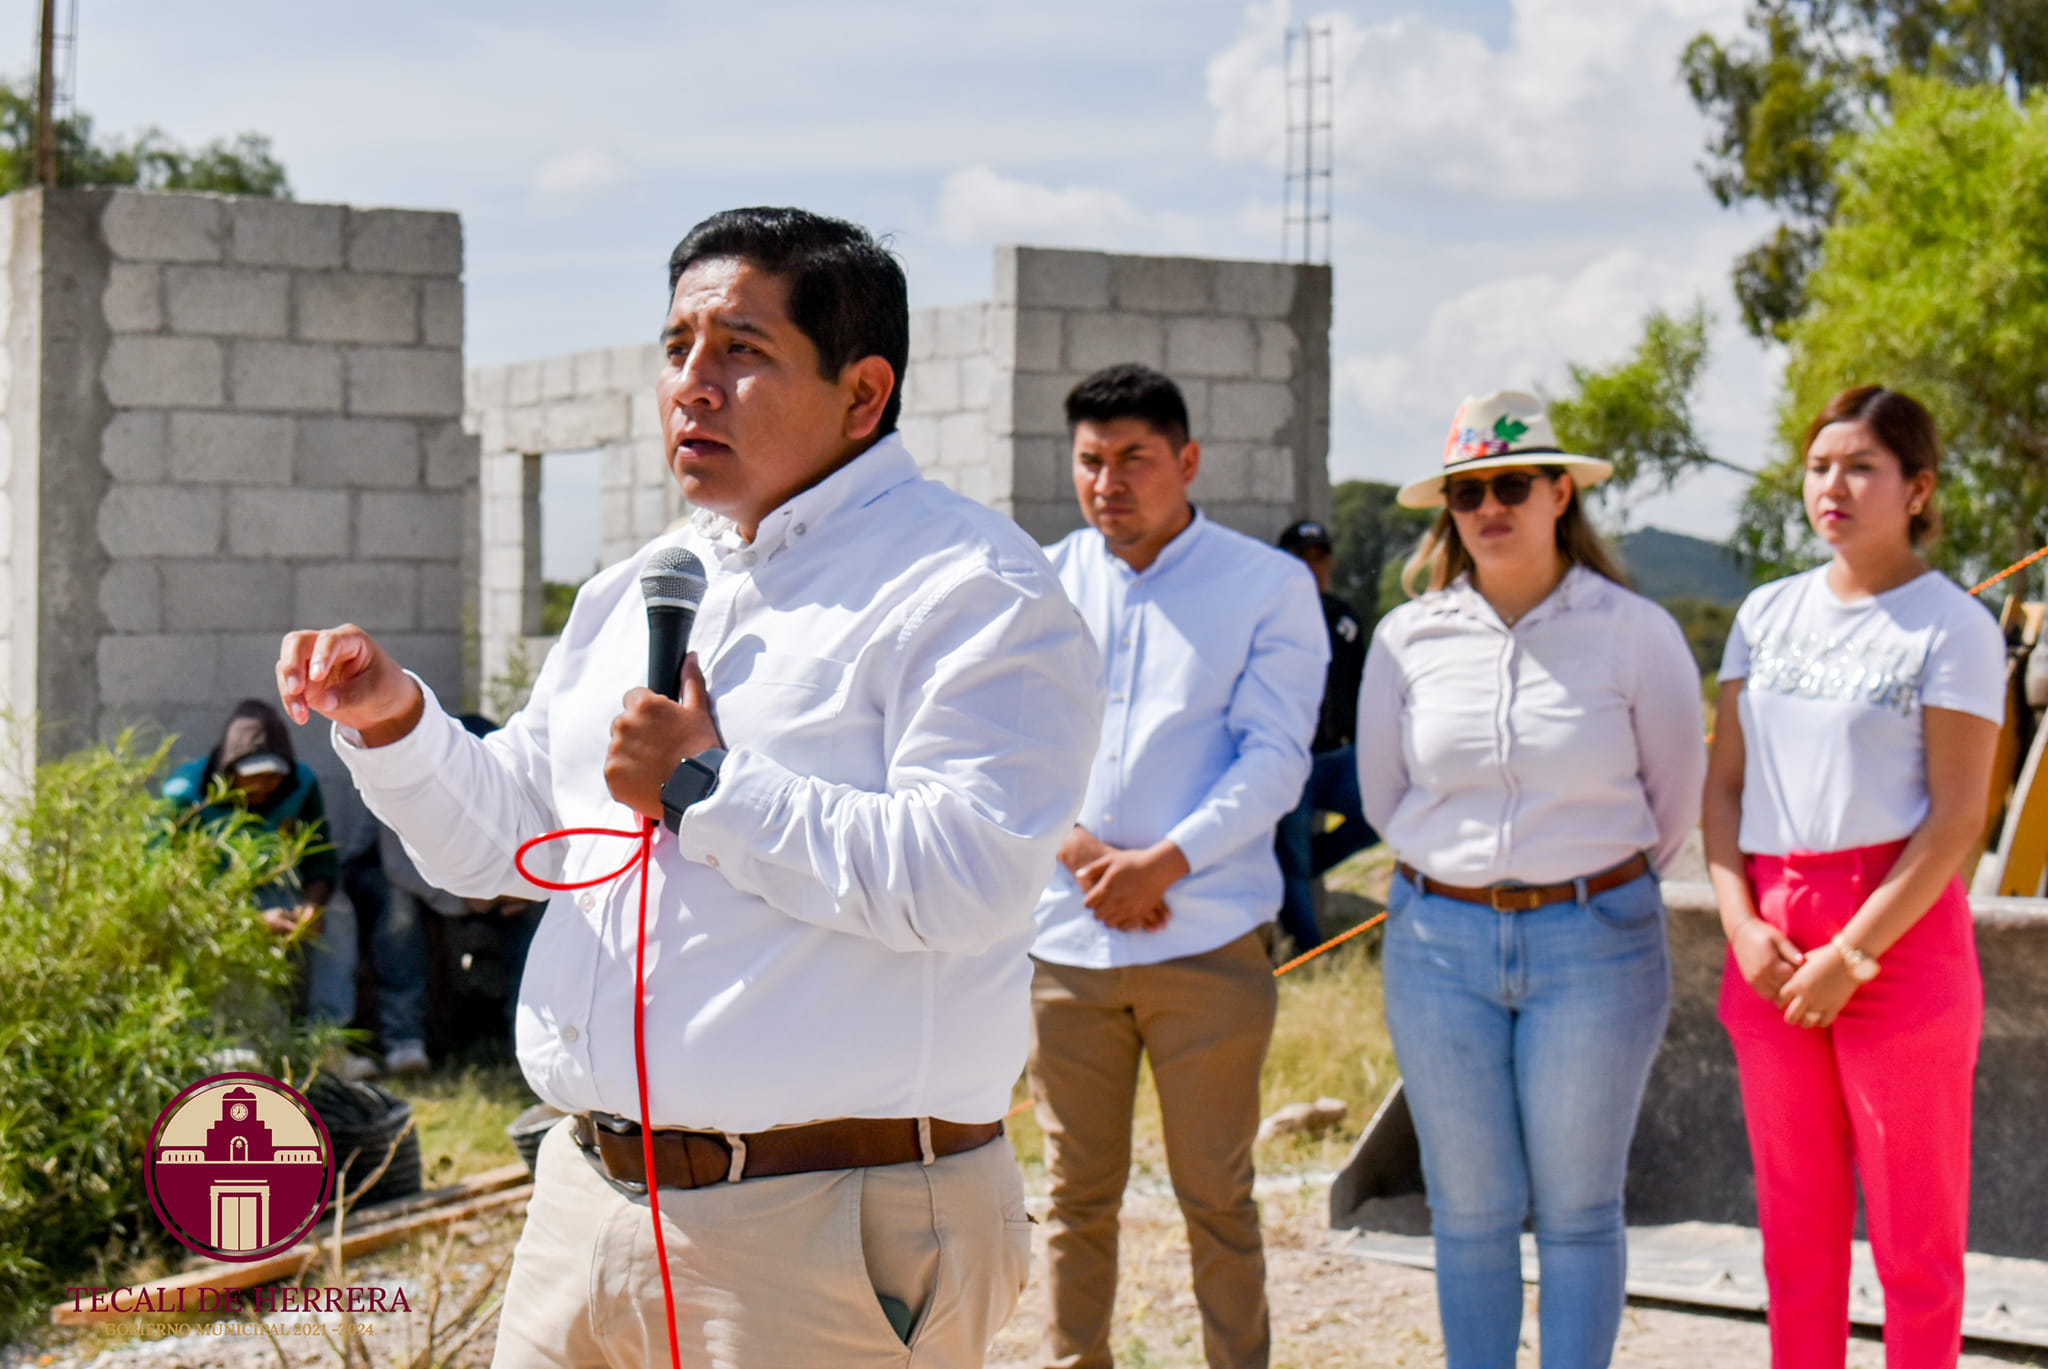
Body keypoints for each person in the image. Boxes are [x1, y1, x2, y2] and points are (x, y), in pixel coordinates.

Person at [277, 207, 1103, 1368]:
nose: (692, 386)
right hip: (585, 1199)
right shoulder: (638, 587)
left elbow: (963, 878)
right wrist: (396, 724)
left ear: (863, 393)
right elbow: (505, 842)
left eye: (741, 351)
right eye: (676, 349)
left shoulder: (973, 590)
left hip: (823, 1226)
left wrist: (709, 790)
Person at [1357, 390, 1706, 1369]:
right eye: (1466, 491)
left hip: (1594, 939)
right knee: (1466, 1210)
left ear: (1561, 491)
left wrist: (1575, 880)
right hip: (1437, 943)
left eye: (1511, 484)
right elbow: (1387, 798)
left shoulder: (1635, 632)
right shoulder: (1406, 637)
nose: (1487, 507)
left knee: (1579, 1208)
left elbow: (1668, 803)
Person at [1030, 363, 1327, 1369]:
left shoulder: (1265, 585)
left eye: (1133, 459)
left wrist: (1163, 863)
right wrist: (1078, 853)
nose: (1108, 482)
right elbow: (1005, 747)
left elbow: (1274, 754)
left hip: (1202, 940)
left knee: (1215, 1196)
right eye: (1089, 461)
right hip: (1064, 945)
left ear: (1186, 460)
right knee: (1073, 1198)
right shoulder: (1041, 580)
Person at [1704, 386, 2002, 1369]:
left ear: (1915, 489)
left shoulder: (1948, 626)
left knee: (1915, 1242)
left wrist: (1852, 951)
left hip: (1894, 939)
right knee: (1794, 1233)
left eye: (1860, 466)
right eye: (1818, 464)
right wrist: (1741, 924)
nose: (1832, 484)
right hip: (1771, 938)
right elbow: (1723, 788)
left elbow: (1958, 815)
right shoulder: (1763, 613)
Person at [163, 700, 351, 1033]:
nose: (263, 786)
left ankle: (328, 1035)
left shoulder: (301, 784)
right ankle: (228, 1034)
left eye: (272, 776)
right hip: (211, 900)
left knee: (338, 916)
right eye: (253, 777)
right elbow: (166, 880)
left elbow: (320, 859)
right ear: (230, 770)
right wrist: (249, 921)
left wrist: (312, 905)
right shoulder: (186, 794)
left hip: (279, 890)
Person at [1272, 518, 1376, 951]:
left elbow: (1363, 683)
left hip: (1339, 756)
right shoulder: (1268, 617)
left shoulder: (1342, 619)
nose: (1313, 567)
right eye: (1303, 558)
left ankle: (1293, 871)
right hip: (1292, 760)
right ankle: (1310, 951)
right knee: (1291, 857)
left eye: (1321, 557)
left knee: (1377, 814)